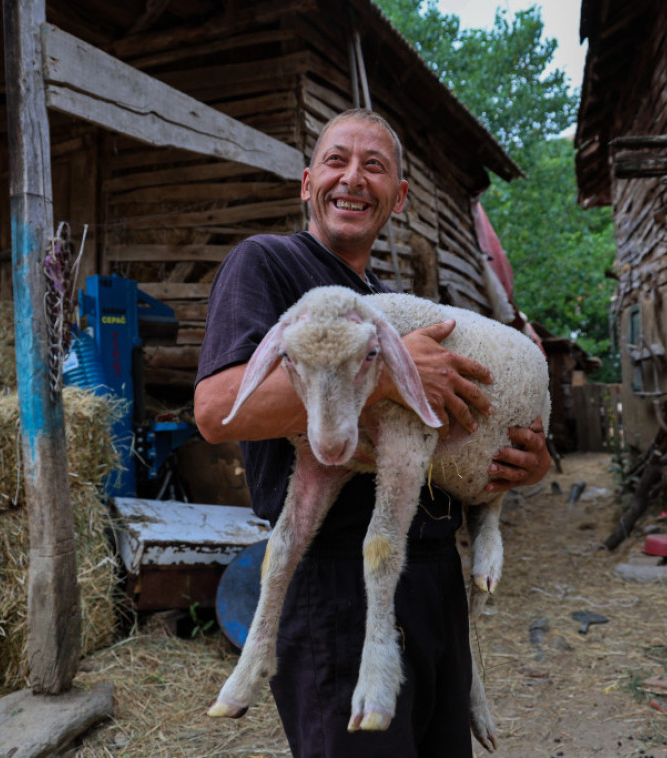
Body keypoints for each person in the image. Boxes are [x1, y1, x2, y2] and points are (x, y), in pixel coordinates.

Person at [194, 108, 550, 758]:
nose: (352, 179)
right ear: (307, 183)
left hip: (436, 577)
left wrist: (522, 464)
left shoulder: (393, 305)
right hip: (336, 583)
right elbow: (218, 407)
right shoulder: (268, 265)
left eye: (374, 166)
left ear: (399, 198)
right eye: (336, 161)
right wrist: (384, 372)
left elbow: (446, 437)